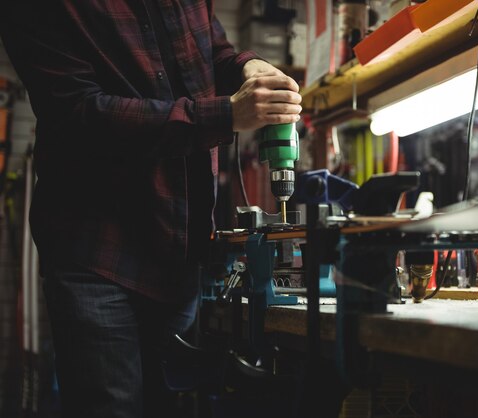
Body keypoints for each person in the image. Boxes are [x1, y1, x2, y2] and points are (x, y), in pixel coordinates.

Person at [0, 1, 302, 417]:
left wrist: (248, 67)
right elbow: (79, 114)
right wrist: (226, 114)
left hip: (178, 248)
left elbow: (209, 51)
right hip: (99, 255)